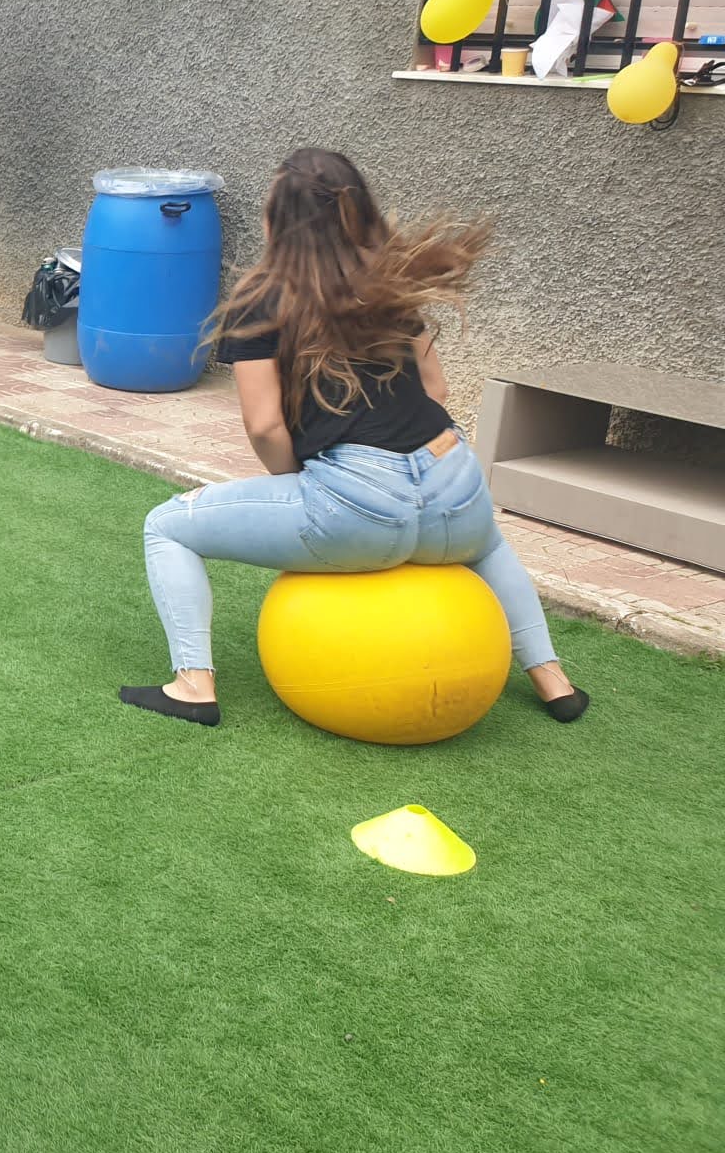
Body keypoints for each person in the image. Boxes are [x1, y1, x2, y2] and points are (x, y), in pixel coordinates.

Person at [121, 149, 590, 730]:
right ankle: (552, 680)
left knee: (166, 526)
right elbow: (436, 389)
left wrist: (307, 489)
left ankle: (193, 686)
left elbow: (264, 426)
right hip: (455, 483)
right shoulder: (390, 281)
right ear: (359, 211)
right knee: (489, 544)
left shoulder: (261, 299)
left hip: (356, 505)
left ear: (276, 220)